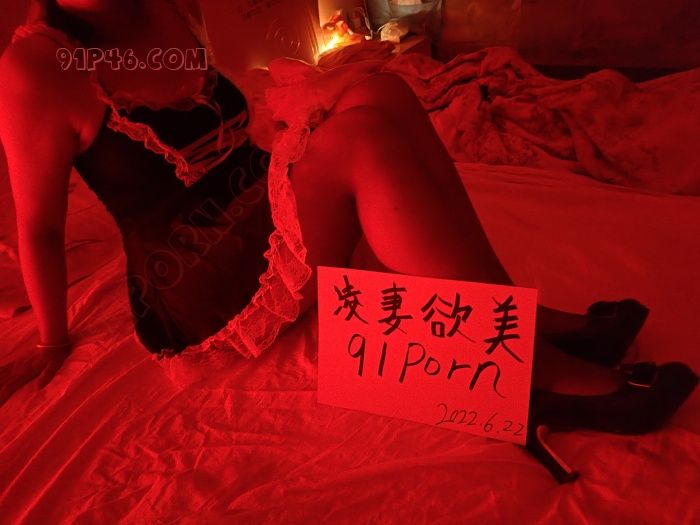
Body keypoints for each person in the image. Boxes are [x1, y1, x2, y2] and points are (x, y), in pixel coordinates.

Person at [0, 0, 696, 482]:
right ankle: (533, 372)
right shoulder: (38, 65)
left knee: (382, 93)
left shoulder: (162, 7)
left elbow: (230, 124)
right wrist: (52, 343)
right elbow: (39, 224)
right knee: (359, 140)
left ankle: (516, 317)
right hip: (193, 271)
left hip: (249, 196)